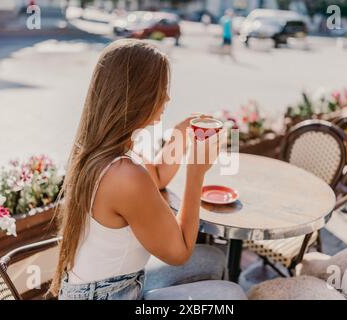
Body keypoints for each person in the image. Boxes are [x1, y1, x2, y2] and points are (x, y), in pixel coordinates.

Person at [49, 39, 247, 300]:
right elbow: (180, 251)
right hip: (109, 295)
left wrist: (179, 134)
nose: (167, 97)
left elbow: (158, 177)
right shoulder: (124, 176)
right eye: (161, 88)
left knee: (211, 258)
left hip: (109, 285)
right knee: (230, 295)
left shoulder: (103, 149)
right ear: (138, 96)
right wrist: (196, 172)